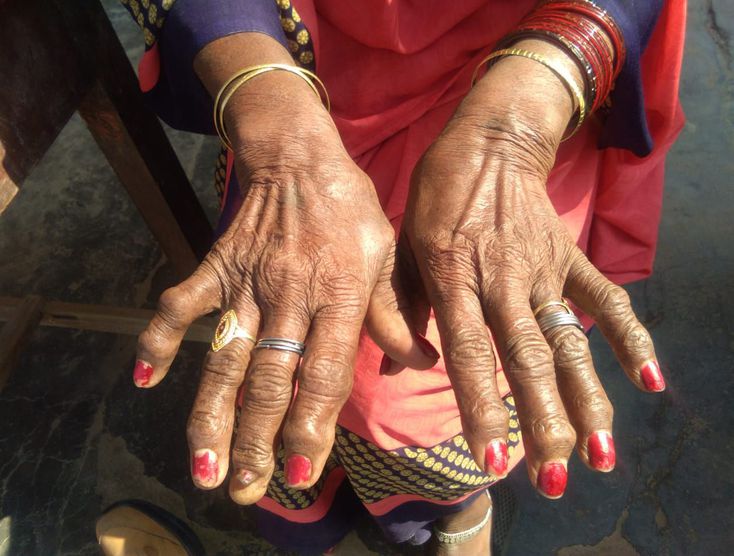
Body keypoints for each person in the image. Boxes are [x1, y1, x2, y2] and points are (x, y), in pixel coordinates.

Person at [120, 0, 685, 553]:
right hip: (293, 78)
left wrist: (520, 121)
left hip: (531, 85)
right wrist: (275, 124)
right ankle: (319, 513)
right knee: (281, 357)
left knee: (441, 388)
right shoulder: (282, 129)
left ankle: (461, 511)